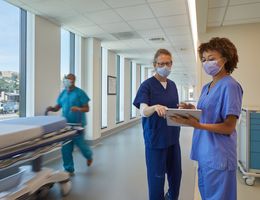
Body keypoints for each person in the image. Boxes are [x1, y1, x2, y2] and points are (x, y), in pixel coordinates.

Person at [171, 37, 243, 200]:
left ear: (225, 60)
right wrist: (193, 110)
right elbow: (208, 112)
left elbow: (229, 127)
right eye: (203, 60)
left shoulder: (230, 86)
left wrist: (197, 125)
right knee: (206, 195)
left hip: (219, 154)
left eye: (211, 59)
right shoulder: (206, 87)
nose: (206, 63)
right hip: (204, 152)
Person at [133, 49, 181, 200]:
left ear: (171, 64)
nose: (164, 67)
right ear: (155, 65)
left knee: (176, 175)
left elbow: (173, 108)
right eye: (161, 64)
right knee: (157, 178)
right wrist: (154, 107)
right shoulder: (147, 85)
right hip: (156, 139)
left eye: (167, 63)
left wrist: (183, 108)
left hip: (173, 138)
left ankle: (171, 197)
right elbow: (143, 111)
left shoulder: (172, 85)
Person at [46, 73, 93, 175]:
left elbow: (87, 108)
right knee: (66, 148)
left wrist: (78, 108)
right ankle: (69, 169)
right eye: (66, 80)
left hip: (78, 125)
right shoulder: (63, 93)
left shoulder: (80, 93)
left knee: (81, 146)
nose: (68, 82)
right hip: (65, 125)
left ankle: (89, 156)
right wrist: (52, 109)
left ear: (74, 81)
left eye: (70, 80)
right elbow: (58, 107)